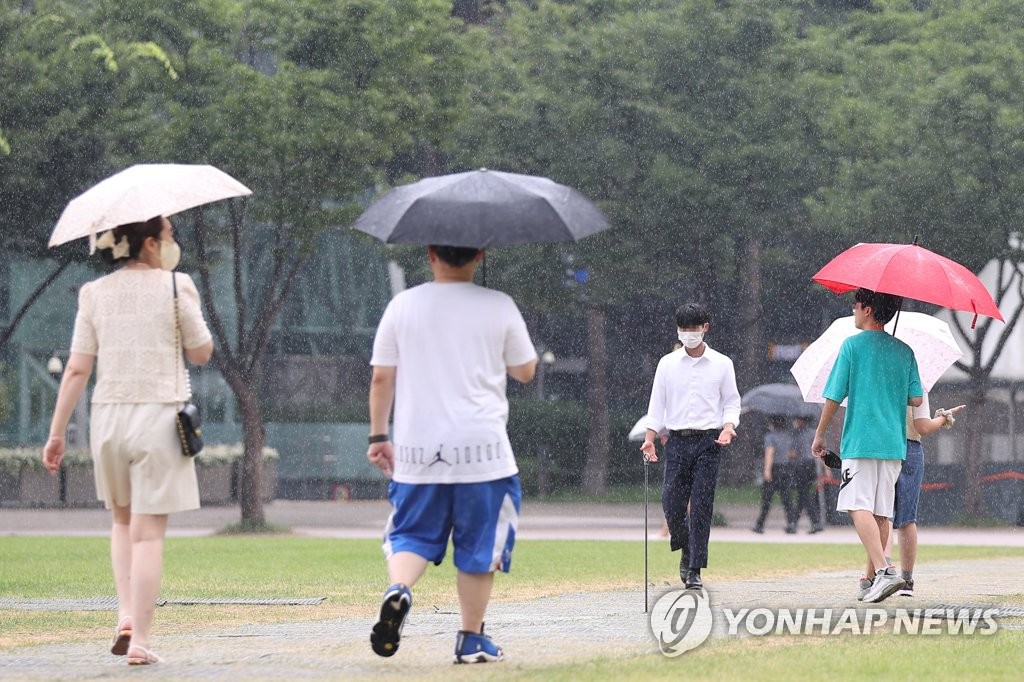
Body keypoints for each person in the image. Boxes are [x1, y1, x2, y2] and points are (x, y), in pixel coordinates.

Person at [42, 216, 213, 665]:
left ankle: (124, 615)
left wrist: (57, 433)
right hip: (158, 417)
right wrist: (181, 310)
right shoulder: (177, 287)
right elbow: (201, 352)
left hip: (109, 420)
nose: (174, 243)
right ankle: (140, 640)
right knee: (149, 536)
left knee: (121, 524)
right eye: (170, 236)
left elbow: (78, 369)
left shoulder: (93, 294)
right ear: (152, 244)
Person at [365, 244, 537, 663]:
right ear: (479, 255)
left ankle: (399, 589)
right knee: (479, 547)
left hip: (417, 451)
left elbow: (382, 378)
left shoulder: (402, 305)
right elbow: (526, 370)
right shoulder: (498, 305)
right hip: (483, 453)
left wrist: (377, 436)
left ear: (430, 255)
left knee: (410, 534)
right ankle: (470, 638)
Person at [812, 288, 922, 604]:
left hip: (860, 441)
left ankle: (885, 570)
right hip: (893, 444)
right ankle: (874, 577)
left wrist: (820, 434)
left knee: (856, 504)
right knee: (881, 513)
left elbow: (834, 395)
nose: (854, 310)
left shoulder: (852, 346)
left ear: (869, 309)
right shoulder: (905, 351)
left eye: (856, 305)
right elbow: (916, 398)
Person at [641, 302, 740, 590]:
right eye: (683, 329)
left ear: (705, 328)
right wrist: (649, 438)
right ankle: (685, 546)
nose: (688, 335)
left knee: (700, 506)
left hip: (709, 441)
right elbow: (656, 404)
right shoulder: (667, 363)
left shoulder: (722, 364)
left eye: (693, 329)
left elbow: (732, 401)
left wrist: (729, 427)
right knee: (671, 503)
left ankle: (695, 567)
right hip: (676, 440)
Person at [857, 397, 965, 599]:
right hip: (910, 448)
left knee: (882, 514)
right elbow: (922, 427)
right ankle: (906, 581)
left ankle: (881, 574)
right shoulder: (916, 384)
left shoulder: (880, 378)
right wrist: (943, 417)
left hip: (882, 446)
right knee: (907, 518)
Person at [752, 416, 797, 534]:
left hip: (774, 469)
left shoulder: (770, 437)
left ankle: (760, 524)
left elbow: (769, 453)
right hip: (786, 468)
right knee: (787, 499)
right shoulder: (788, 436)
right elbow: (792, 454)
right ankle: (791, 524)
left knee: (767, 499)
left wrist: (767, 470)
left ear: (773, 424)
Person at [789, 415, 824, 534]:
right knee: (802, 494)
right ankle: (794, 522)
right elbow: (821, 450)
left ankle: (814, 522)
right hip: (811, 465)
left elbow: (793, 453)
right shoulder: (813, 433)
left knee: (803, 494)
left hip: (801, 465)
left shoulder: (796, 434)